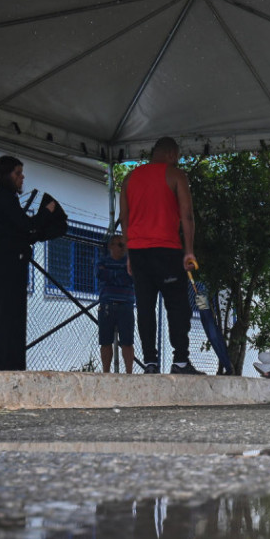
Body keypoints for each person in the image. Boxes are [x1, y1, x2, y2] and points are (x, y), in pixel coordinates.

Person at [119, 136, 200, 375]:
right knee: (177, 307)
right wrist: (189, 251)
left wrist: (130, 254)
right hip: (167, 250)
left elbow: (124, 217)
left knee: (145, 307)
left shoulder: (129, 178)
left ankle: (150, 363)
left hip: (139, 252)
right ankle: (181, 361)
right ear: (172, 154)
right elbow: (187, 216)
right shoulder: (176, 175)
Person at [0, 156, 63, 371]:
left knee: (6, 317)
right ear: (5, 174)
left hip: (7, 267)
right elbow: (27, 226)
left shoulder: (2, 199)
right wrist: (47, 211)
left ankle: (6, 364)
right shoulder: (3, 200)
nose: (22, 177)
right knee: (7, 318)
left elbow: (23, 230)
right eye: (17, 173)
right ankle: (6, 365)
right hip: (7, 267)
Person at [97, 235, 136, 373]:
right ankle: (106, 372)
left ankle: (129, 372)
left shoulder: (130, 263)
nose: (122, 248)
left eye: (124, 245)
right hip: (107, 305)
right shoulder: (103, 261)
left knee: (127, 342)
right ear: (111, 246)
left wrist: (114, 276)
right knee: (105, 341)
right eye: (119, 245)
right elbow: (102, 275)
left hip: (125, 305)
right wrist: (121, 275)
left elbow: (129, 278)